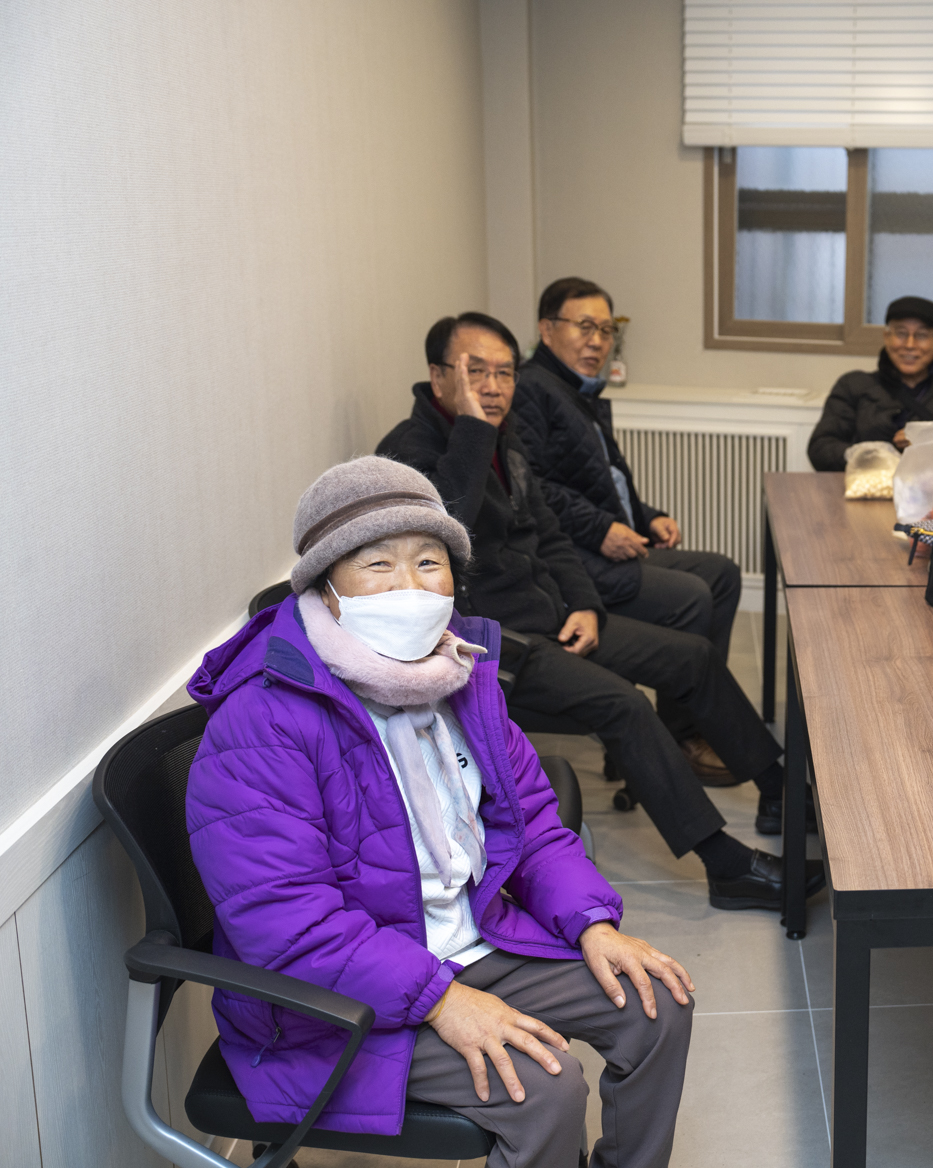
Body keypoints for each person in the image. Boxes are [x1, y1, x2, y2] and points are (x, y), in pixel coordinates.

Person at [185, 457, 694, 1167]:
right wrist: (442, 1000)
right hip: (333, 1003)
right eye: (378, 565)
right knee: (545, 1088)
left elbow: (534, 825)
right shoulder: (263, 720)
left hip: (469, 940)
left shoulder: (460, 674)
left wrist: (593, 922)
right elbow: (287, 922)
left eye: (429, 561)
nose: (412, 586)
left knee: (656, 1003)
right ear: (326, 588)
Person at [378, 312, 824, 909]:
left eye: (505, 373)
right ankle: (726, 867)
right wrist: (473, 430)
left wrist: (586, 604)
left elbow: (550, 535)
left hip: (553, 618)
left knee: (691, 657)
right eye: (475, 372)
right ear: (439, 378)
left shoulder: (503, 438)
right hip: (492, 645)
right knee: (625, 704)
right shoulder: (410, 453)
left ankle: (780, 789)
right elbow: (444, 529)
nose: (493, 387)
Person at [512, 277, 744, 784]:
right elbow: (537, 489)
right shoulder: (532, 389)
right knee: (692, 596)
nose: (596, 341)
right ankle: (678, 738)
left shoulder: (579, 389)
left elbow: (600, 481)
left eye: (605, 330)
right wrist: (602, 530)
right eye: (584, 327)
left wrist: (645, 516)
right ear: (546, 329)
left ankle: (690, 723)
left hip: (605, 538)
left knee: (723, 574)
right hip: (575, 557)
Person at [807, 295, 933, 470]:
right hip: (867, 486)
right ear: (886, 337)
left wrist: (929, 444)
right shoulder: (853, 386)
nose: (909, 344)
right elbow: (820, 449)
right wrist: (877, 455)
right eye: (901, 333)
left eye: (922, 335)